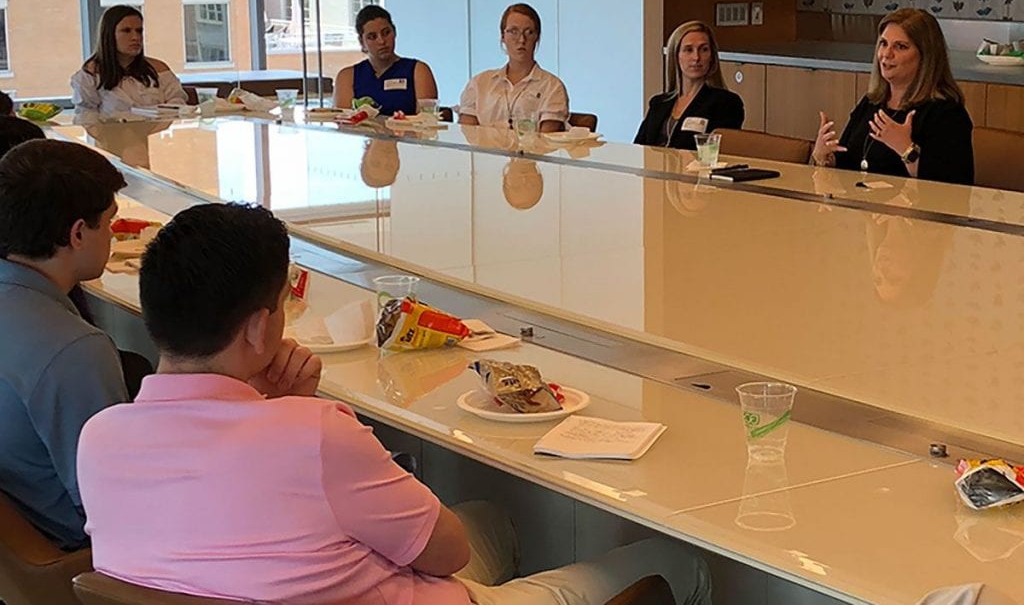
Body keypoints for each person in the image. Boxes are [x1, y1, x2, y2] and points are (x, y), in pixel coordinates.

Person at [78, 202, 711, 605]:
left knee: (494, 516)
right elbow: (448, 555)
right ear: (257, 328)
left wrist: (274, 410)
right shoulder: (314, 435)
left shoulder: (99, 439)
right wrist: (298, 415)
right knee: (677, 561)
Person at [0, 139, 129, 550]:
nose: (110, 234)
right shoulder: (74, 350)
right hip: (71, 549)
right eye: (108, 223)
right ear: (77, 233)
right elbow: (114, 503)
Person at [811, 9, 974, 185]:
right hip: (861, 209)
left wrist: (906, 149)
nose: (886, 54)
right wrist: (826, 159)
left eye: (900, 46)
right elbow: (850, 162)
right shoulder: (872, 102)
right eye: (883, 43)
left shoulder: (947, 113)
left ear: (926, 56)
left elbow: (954, 187)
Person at [634, 20, 745, 150]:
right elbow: (638, 149)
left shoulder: (726, 102)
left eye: (704, 50)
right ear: (676, 56)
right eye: (688, 50)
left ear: (712, 56)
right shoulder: (659, 103)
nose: (696, 57)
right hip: (653, 169)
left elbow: (719, 152)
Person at [459, 4, 569, 133]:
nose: (521, 39)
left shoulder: (552, 86)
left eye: (529, 32)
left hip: (530, 152)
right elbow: (467, 136)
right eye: (513, 31)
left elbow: (546, 141)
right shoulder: (479, 83)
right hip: (484, 152)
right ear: (503, 36)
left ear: (537, 37)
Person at [71, 5, 187, 118]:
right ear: (109, 35)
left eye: (139, 31)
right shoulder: (90, 74)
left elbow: (178, 103)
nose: (135, 37)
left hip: (154, 134)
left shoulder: (159, 69)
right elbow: (86, 117)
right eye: (126, 31)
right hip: (110, 136)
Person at [333, 5, 438, 116]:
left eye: (386, 33)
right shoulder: (348, 76)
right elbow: (343, 124)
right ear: (362, 42)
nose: (381, 41)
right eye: (372, 37)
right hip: (363, 133)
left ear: (395, 32)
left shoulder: (418, 70)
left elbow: (427, 122)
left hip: (407, 133)